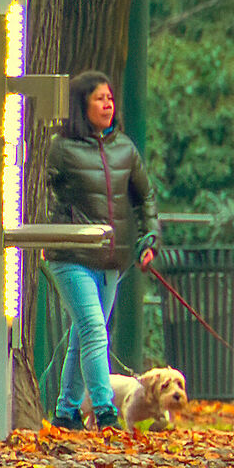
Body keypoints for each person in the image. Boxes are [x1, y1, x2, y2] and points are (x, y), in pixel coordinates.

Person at [41, 73, 160, 431]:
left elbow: (145, 197)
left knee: (84, 333)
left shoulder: (125, 147)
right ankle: (106, 411)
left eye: (110, 98)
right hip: (72, 256)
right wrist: (52, 229)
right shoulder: (61, 148)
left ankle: (65, 412)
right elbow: (39, 192)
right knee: (94, 329)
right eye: (99, 99)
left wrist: (150, 237)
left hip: (112, 260)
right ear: (82, 105)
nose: (108, 104)